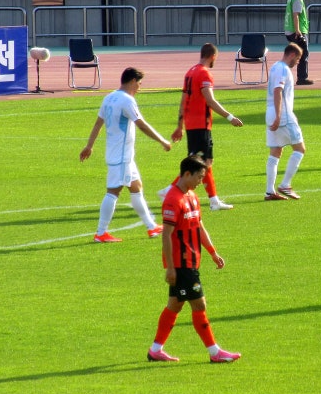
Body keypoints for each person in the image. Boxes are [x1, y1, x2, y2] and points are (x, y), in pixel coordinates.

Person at [147, 154, 241, 364]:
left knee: (175, 305)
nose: (202, 182)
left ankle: (155, 350)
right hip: (181, 264)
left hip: (192, 261)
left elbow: (198, 227)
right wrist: (170, 268)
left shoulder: (192, 197)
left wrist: (213, 252)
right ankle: (215, 352)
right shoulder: (173, 200)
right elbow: (167, 235)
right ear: (187, 174)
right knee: (199, 305)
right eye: (199, 177)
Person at [79, 67, 172, 243]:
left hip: (121, 155)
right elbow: (141, 124)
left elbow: (98, 123)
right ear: (131, 81)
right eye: (139, 83)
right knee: (113, 192)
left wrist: (89, 146)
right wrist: (162, 141)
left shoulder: (109, 97)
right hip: (121, 157)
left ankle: (152, 227)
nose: (139, 88)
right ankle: (101, 233)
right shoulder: (126, 100)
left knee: (136, 188)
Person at [157, 43, 244, 211]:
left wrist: (180, 125)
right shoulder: (204, 73)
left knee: (203, 162)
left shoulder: (190, 72)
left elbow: (184, 100)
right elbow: (210, 100)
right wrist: (230, 117)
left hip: (191, 124)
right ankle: (171, 191)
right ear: (213, 56)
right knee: (201, 163)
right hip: (201, 125)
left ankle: (213, 201)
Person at [265, 44, 307, 201]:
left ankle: (269, 191)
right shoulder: (283, 69)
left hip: (270, 113)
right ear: (291, 55)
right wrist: (278, 116)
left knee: (275, 152)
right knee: (300, 149)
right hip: (283, 115)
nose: (298, 62)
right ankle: (285, 185)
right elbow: (278, 91)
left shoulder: (275, 66)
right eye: (298, 58)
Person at [284, 0, 312, 85]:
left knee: (293, 54)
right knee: (303, 53)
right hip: (296, 31)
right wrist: (298, 31)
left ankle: (285, 75)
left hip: (289, 30)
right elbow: (296, 16)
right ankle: (302, 78)